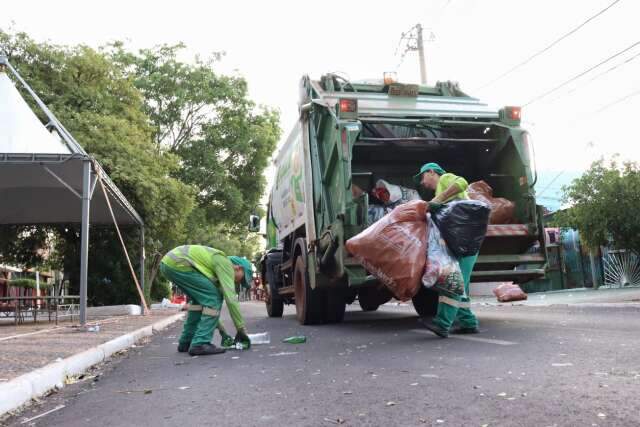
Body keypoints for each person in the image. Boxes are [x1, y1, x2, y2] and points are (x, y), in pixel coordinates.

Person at [414, 162, 480, 338]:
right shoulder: (440, 190)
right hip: (466, 240)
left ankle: (442, 324)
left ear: (431, 172)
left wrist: (439, 199)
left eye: (423, 177)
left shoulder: (445, 178)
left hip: (466, 241)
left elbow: (462, 182)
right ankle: (468, 323)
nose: (422, 182)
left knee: (453, 282)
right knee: (462, 285)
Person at [160, 245, 253, 355]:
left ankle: (186, 342)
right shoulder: (225, 263)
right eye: (241, 279)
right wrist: (241, 328)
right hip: (180, 264)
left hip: (169, 264)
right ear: (238, 267)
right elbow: (230, 299)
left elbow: (207, 307)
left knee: (197, 304)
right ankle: (200, 343)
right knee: (214, 298)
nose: (238, 283)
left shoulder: (217, 268)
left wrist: (222, 331)